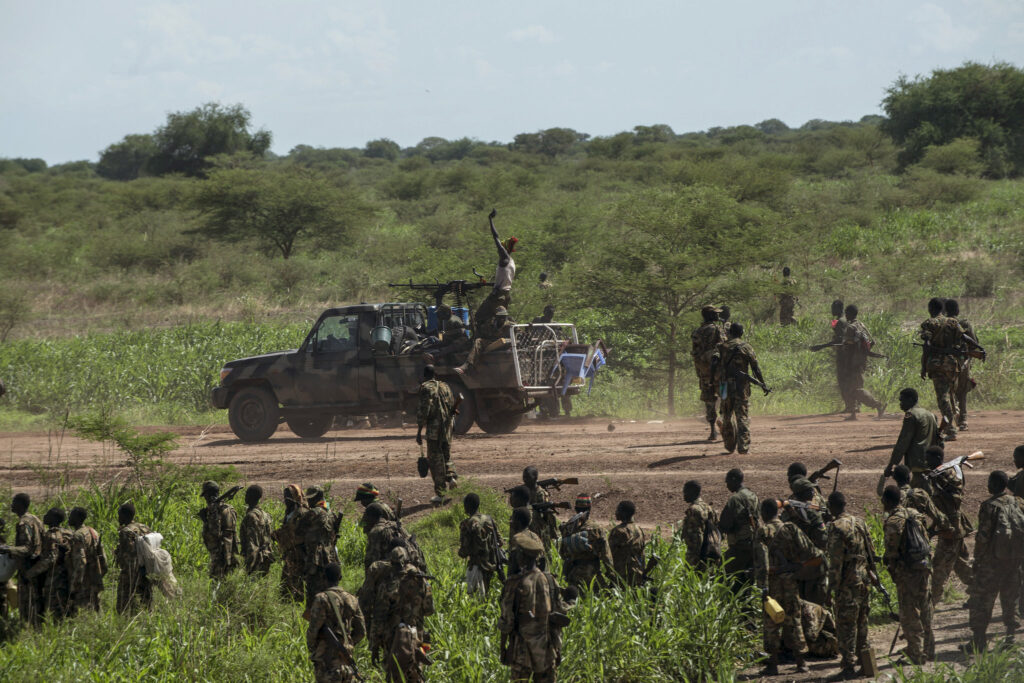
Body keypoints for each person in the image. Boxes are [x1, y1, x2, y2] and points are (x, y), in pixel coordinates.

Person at [964, 471, 1022, 653]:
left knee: (981, 599)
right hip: (1014, 560)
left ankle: (978, 640)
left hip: (992, 562)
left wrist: (977, 560)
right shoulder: (1019, 502)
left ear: (994, 485)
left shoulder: (989, 506)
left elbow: (983, 537)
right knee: (1010, 598)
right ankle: (1010, 637)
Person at [881, 485, 934, 664]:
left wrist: (893, 571)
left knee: (909, 612)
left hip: (907, 572)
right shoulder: (915, 513)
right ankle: (928, 649)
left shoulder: (893, 522)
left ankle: (915, 653)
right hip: (924, 566)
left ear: (887, 501)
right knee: (925, 607)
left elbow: (891, 553)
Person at [756, 499, 808, 676]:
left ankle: (773, 664)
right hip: (791, 581)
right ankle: (801, 662)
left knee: (771, 622)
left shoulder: (763, 531)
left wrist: (762, 587)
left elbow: (761, 562)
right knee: (794, 619)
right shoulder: (790, 528)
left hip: (773, 584)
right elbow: (806, 550)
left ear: (764, 513)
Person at [499, 532, 558, 683]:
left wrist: (503, 649)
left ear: (521, 555)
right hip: (546, 651)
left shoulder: (515, 583)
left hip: (522, 653)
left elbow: (507, 622)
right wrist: (558, 648)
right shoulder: (549, 580)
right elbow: (557, 617)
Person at [370, 546, 434, 682]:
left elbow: (379, 619)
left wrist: (374, 645)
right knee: (416, 673)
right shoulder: (422, 581)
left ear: (391, 563)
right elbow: (429, 611)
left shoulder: (386, 585)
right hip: (417, 636)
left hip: (392, 639)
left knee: (393, 675)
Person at [826, 492, 872, 679]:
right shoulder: (860, 522)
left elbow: (836, 562)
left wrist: (831, 588)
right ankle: (866, 663)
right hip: (864, 579)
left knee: (846, 625)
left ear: (831, 507)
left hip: (848, 583)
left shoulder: (836, 527)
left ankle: (848, 667)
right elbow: (871, 552)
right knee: (862, 623)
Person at [711, 322, 767, 454]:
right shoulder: (746, 347)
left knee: (725, 414)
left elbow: (713, 363)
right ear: (741, 333)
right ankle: (743, 447)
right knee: (742, 416)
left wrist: (713, 379)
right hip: (740, 386)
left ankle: (729, 443)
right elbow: (755, 368)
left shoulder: (721, 346)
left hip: (724, 386)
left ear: (730, 332)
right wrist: (762, 383)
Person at [919, 297, 970, 440]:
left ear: (931, 309)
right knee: (951, 397)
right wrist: (979, 349)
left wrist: (923, 367)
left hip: (938, 365)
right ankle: (955, 421)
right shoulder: (953, 322)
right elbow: (964, 338)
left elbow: (926, 347)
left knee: (943, 399)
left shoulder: (929, 323)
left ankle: (951, 430)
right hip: (953, 365)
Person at [926, 447, 973, 604]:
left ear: (937, 458)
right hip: (950, 528)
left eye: (929, 458)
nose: (926, 462)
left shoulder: (944, 476)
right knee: (959, 564)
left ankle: (929, 605)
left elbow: (952, 501)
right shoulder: (942, 475)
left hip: (950, 530)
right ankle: (980, 589)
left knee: (939, 569)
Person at [307, 562, 365, 683]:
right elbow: (361, 632)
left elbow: (313, 630)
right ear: (340, 578)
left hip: (326, 660)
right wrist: (348, 642)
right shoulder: (353, 599)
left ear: (324, 577)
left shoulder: (321, 598)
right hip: (346, 658)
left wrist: (313, 647)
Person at [782, 478, 829, 604]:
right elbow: (823, 539)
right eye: (810, 490)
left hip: (795, 564)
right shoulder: (812, 514)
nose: (813, 492)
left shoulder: (786, 514)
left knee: (800, 602)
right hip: (813, 564)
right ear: (802, 493)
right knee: (816, 602)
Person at [416, 365, 457, 504]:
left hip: (434, 430)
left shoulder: (425, 388)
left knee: (435, 461)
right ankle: (451, 477)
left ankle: (440, 494)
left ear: (424, 375)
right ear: (435, 374)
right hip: (447, 427)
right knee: (446, 454)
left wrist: (419, 431)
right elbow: (452, 406)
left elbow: (424, 410)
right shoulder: (445, 386)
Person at [883, 388, 939, 490]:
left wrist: (891, 465)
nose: (900, 404)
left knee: (918, 493)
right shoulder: (930, 415)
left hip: (917, 461)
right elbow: (938, 439)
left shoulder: (911, 415)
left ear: (911, 399)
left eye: (902, 400)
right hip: (930, 461)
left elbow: (903, 442)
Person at [24, 507, 72, 620]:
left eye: (48, 514)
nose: (45, 515)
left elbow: (51, 558)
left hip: (55, 579)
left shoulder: (51, 535)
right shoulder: (68, 533)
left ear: (54, 519)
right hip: (67, 577)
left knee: (53, 612)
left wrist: (31, 572)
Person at [558, 494, 613, 591]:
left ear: (575, 508)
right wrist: (612, 574)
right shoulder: (597, 529)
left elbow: (562, 553)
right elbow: (606, 555)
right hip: (592, 575)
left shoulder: (568, 528)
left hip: (573, 574)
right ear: (590, 508)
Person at [840, 304, 885, 420]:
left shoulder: (850, 328)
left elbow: (847, 346)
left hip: (853, 363)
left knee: (856, 389)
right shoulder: (861, 325)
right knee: (852, 388)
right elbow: (871, 342)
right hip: (861, 361)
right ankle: (853, 414)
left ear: (849, 314)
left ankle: (877, 404)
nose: (845, 314)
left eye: (846, 312)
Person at [474, 208, 517, 329]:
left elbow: (496, 237)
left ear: (505, 249)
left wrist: (490, 220)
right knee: (498, 318)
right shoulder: (511, 262)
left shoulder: (505, 258)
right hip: (506, 295)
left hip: (498, 296)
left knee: (479, 317)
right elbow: (504, 281)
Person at [301, 486, 343, 609]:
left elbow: (299, 529)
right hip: (330, 557)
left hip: (315, 559)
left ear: (315, 498)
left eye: (310, 499)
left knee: (313, 592)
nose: (308, 501)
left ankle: (314, 618)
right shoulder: (331, 513)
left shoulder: (314, 513)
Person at [7, 493, 44, 625]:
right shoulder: (35, 519)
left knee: (27, 604)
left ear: (21, 504)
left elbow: (27, 549)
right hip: (37, 566)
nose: (11, 505)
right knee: (36, 601)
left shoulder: (23, 523)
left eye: (14, 502)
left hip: (28, 568)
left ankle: (27, 629)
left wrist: (8, 549)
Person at [718, 469, 760, 586]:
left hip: (740, 544)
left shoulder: (735, 499)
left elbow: (726, 523)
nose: (727, 486)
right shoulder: (753, 496)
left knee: (721, 571)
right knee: (746, 579)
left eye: (727, 482)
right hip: (754, 543)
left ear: (734, 480)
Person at [691, 305, 726, 441]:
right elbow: (724, 346)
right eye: (715, 314)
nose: (717, 316)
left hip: (703, 372)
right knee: (724, 397)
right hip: (718, 371)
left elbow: (695, 353)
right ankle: (725, 423)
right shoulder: (717, 329)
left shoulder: (697, 331)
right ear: (710, 315)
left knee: (709, 401)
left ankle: (712, 432)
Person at [458, 493, 502, 594]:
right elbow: (500, 542)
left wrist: (461, 552)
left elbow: (464, 551)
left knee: (475, 600)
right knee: (487, 595)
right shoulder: (489, 519)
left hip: (476, 566)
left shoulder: (466, 524)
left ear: (467, 505)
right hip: (490, 564)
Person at [944, 299, 978, 431]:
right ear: (957, 310)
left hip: (944, 363)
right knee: (962, 392)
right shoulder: (964, 323)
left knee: (947, 392)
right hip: (962, 361)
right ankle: (962, 420)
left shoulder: (942, 324)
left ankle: (950, 420)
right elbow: (973, 342)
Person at [67, 506, 107, 613]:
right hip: (94, 577)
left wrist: (75, 585)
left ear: (77, 518)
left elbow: (81, 562)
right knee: (96, 608)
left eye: (71, 515)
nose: (69, 518)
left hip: (84, 581)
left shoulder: (78, 535)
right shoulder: (93, 532)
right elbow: (103, 557)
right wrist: (100, 574)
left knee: (82, 611)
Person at [272, 484, 308, 602]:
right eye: (285, 497)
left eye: (288, 496)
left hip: (300, 553)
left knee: (297, 581)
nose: (286, 499)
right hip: (291, 552)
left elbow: (296, 533)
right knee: (287, 581)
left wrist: (279, 535)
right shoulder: (291, 512)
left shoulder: (301, 513)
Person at [115, 501, 152, 614]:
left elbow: (127, 556)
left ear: (125, 516)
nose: (118, 517)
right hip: (146, 569)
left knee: (123, 604)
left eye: (120, 515)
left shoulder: (126, 532)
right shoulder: (144, 527)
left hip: (131, 572)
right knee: (146, 600)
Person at [198, 481, 239, 579]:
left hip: (220, 554)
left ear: (208, 494)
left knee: (215, 582)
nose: (205, 499)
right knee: (230, 580)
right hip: (232, 551)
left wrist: (205, 520)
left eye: (206, 496)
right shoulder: (229, 508)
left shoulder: (214, 510)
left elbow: (214, 534)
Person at [456, 306, 514, 376]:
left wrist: (510, 342)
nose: (502, 318)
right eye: (500, 316)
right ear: (496, 317)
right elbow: (481, 332)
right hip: (492, 342)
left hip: (505, 345)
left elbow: (520, 336)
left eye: (504, 316)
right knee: (478, 341)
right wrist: (474, 327)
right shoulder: (490, 324)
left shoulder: (511, 325)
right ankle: (467, 365)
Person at [677, 480, 720, 568]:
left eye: (685, 491)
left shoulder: (693, 510)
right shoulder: (708, 508)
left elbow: (696, 537)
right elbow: (717, 529)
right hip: (712, 552)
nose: (684, 494)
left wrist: (695, 558)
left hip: (698, 556)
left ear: (692, 492)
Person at [891, 465, 947, 531]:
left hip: (899, 537)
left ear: (895, 478)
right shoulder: (920, 494)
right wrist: (949, 527)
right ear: (909, 478)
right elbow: (937, 516)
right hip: (919, 536)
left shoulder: (892, 496)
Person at [608, 500, 646, 587]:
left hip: (621, 575)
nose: (616, 512)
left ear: (624, 513)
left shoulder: (618, 531)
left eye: (618, 510)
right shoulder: (639, 530)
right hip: (637, 573)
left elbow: (609, 553)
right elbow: (642, 554)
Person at [522, 468, 559, 553]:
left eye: (527, 477)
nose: (525, 480)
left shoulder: (540, 493)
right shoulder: (526, 491)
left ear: (535, 478)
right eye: (524, 477)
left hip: (539, 526)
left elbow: (545, 513)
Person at [240, 485, 274, 576]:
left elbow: (252, 544)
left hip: (256, 560)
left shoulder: (251, 516)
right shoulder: (265, 515)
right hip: (265, 557)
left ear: (251, 497)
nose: (245, 496)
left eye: (247, 494)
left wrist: (249, 567)